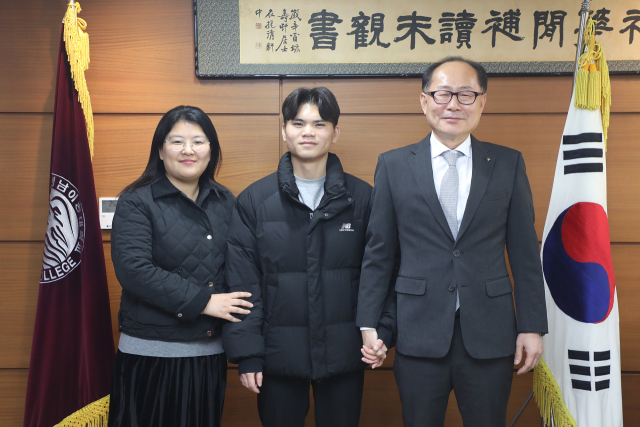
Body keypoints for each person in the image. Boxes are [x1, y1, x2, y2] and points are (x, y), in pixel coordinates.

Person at [356, 57, 548, 427]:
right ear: (425, 100)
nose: (454, 104)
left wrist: (531, 326)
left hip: (490, 334)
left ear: (482, 101)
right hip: (418, 331)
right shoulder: (394, 165)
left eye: (466, 94)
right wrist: (369, 323)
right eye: (443, 93)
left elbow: (525, 253)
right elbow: (379, 253)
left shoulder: (507, 163)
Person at [222, 87, 393, 427]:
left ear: (335, 132)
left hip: (345, 352)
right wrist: (248, 355)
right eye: (298, 123)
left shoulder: (364, 199)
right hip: (276, 357)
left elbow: (384, 272)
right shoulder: (254, 201)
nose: (308, 132)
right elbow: (243, 285)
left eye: (320, 123)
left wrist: (384, 330)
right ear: (284, 131)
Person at [107, 105, 252, 427]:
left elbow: (241, 267)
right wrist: (205, 301)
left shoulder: (226, 201)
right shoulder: (136, 200)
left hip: (208, 352)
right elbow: (134, 269)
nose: (188, 150)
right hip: (150, 353)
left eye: (199, 141)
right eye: (177, 142)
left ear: (211, 150)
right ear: (160, 149)